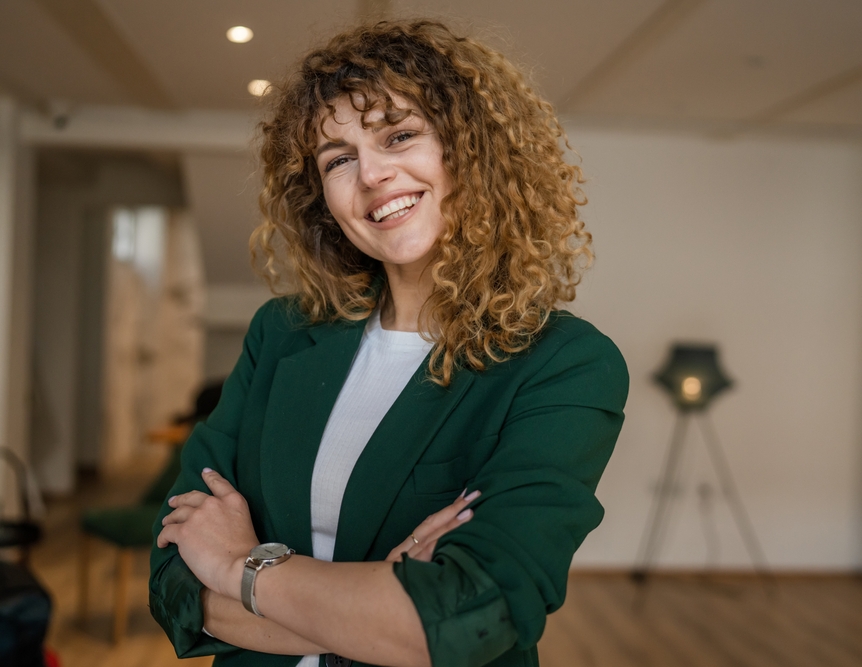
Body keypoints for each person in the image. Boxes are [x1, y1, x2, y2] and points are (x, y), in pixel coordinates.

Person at [149, 19, 628, 667]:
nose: (371, 174)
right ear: (322, 199)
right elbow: (175, 573)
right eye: (338, 159)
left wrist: (240, 564)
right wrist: (380, 603)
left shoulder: (565, 364)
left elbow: (469, 617)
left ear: (472, 151)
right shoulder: (282, 333)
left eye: (399, 135)